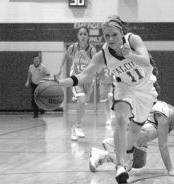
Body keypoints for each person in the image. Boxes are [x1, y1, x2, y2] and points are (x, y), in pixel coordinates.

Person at [55, 15, 158, 183]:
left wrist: (129, 55)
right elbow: (84, 76)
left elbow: (146, 61)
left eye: (114, 35)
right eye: (107, 35)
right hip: (124, 88)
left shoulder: (133, 40)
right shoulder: (102, 55)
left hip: (145, 89)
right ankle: (119, 166)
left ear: (122, 33)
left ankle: (123, 155)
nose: (110, 39)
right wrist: (60, 83)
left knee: (133, 131)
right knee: (120, 119)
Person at [89, 101, 174, 177]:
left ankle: (101, 156)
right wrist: (170, 169)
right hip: (134, 124)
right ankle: (113, 143)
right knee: (152, 132)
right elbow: (163, 146)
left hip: (145, 128)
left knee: (138, 163)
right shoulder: (164, 118)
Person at [56, 26, 97, 140]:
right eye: (81, 34)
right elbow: (65, 56)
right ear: (78, 36)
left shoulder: (92, 49)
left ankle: (75, 127)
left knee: (83, 104)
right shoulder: (73, 47)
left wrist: (86, 58)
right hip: (77, 79)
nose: (83, 36)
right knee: (82, 100)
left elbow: (95, 65)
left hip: (88, 80)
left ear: (88, 36)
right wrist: (60, 69)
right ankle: (78, 126)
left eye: (85, 34)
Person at [25, 53, 50, 118]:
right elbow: (29, 74)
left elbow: (48, 74)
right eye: (35, 60)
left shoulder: (43, 67)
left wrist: (45, 81)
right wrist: (27, 81)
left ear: (39, 60)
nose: (36, 61)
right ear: (33, 61)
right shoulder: (31, 67)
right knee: (33, 100)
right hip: (33, 84)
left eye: (37, 60)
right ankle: (35, 114)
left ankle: (42, 109)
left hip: (40, 85)